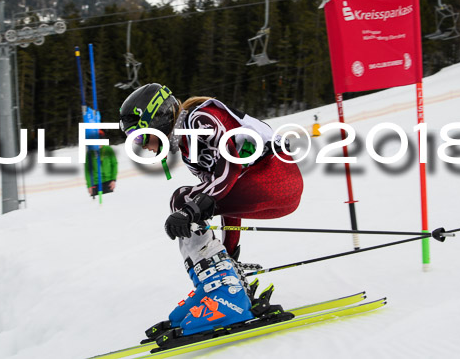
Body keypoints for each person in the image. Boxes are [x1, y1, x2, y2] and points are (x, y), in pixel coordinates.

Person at [119, 83, 303, 339]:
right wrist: (228, 256)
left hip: (276, 179)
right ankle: (221, 287)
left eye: (140, 137)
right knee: (189, 199)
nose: (144, 147)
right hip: (273, 188)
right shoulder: (188, 146)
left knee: (184, 199)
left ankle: (226, 296)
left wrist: (193, 208)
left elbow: (231, 167)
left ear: (158, 120)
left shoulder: (199, 120)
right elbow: (225, 194)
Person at [84, 130, 118, 197]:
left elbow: (114, 165)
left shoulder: (108, 149)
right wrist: (89, 185)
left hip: (108, 182)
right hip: (95, 184)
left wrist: (113, 180)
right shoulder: (90, 153)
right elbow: (87, 170)